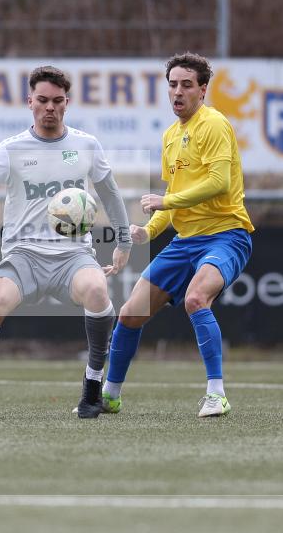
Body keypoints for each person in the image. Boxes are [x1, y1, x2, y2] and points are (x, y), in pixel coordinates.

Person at [0, 65, 132, 419]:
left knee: (97, 292)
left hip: (73, 256)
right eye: (43, 100)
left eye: (58, 101)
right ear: (29, 101)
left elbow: (110, 194)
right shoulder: (12, 149)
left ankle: (92, 387)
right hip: (24, 256)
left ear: (67, 103)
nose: (50, 107)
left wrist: (124, 241)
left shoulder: (86, 145)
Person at [101, 52, 254, 418]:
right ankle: (108, 395)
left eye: (187, 85)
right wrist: (147, 230)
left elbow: (219, 183)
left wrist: (165, 200)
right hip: (185, 242)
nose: (178, 92)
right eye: (172, 85)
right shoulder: (171, 136)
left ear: (203, 89)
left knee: (196, 298)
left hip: (225, 235)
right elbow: (173, 207)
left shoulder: (213, 124)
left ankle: (216, 394)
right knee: (129, 315)